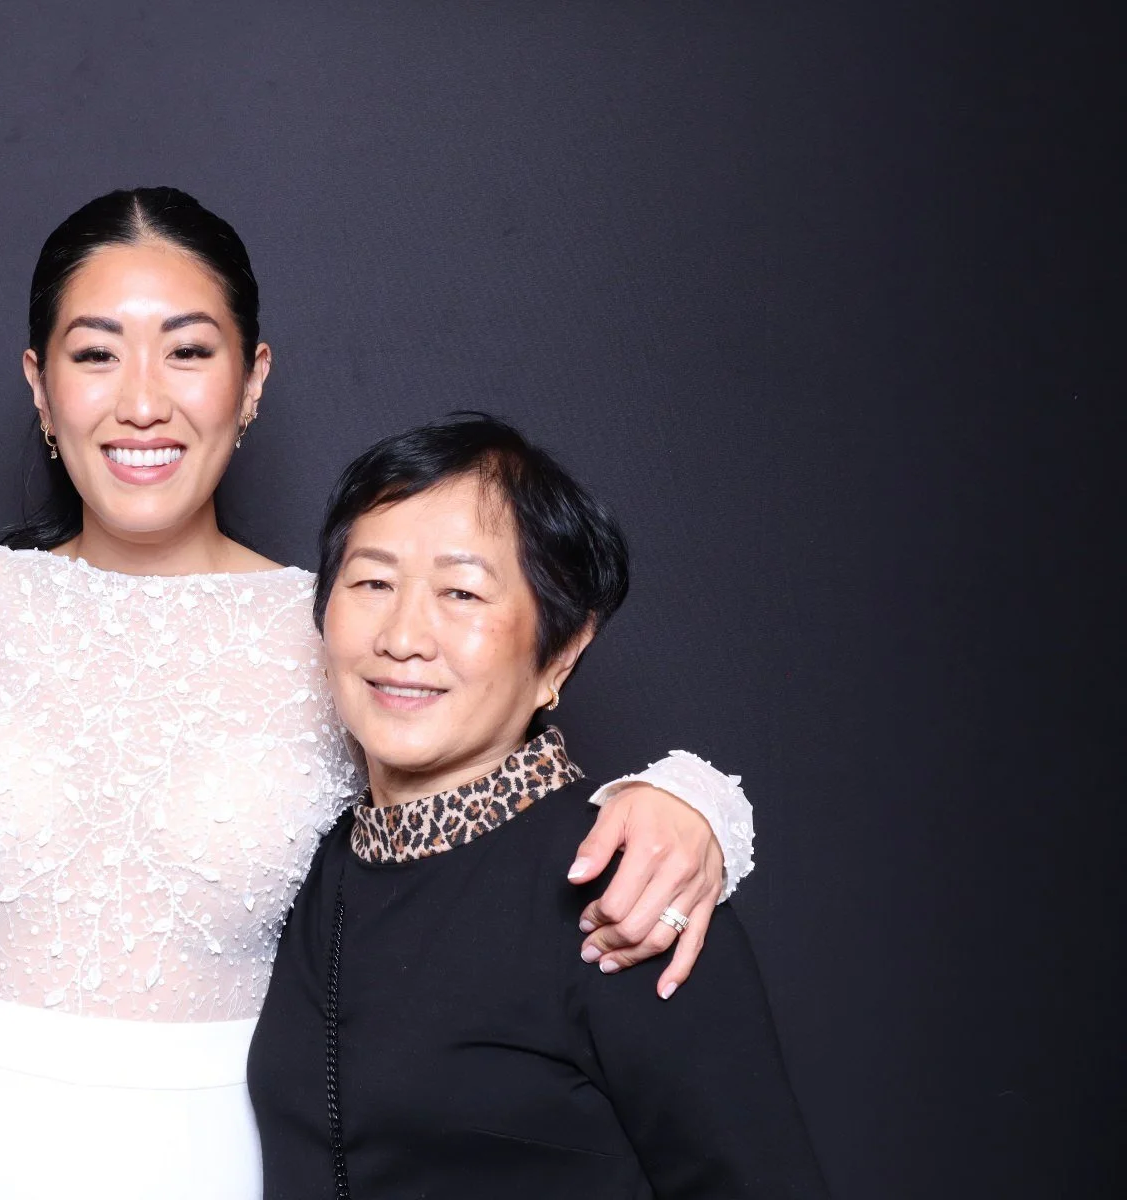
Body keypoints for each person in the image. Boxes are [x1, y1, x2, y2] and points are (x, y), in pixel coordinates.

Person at [0, 187, 760, 1200]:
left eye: (189, 352)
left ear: (251, 381)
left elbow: (484, 794)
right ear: (39, 382)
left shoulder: (336, 630)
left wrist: (693, 805)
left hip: (215, 1155)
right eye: (96, 352)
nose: (141, 399)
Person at [249, 414, 828, 1197]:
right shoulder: (308, 868)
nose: (403, 635)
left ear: (559, 653)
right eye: (373, 582)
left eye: (461, 592)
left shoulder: (632, 886)